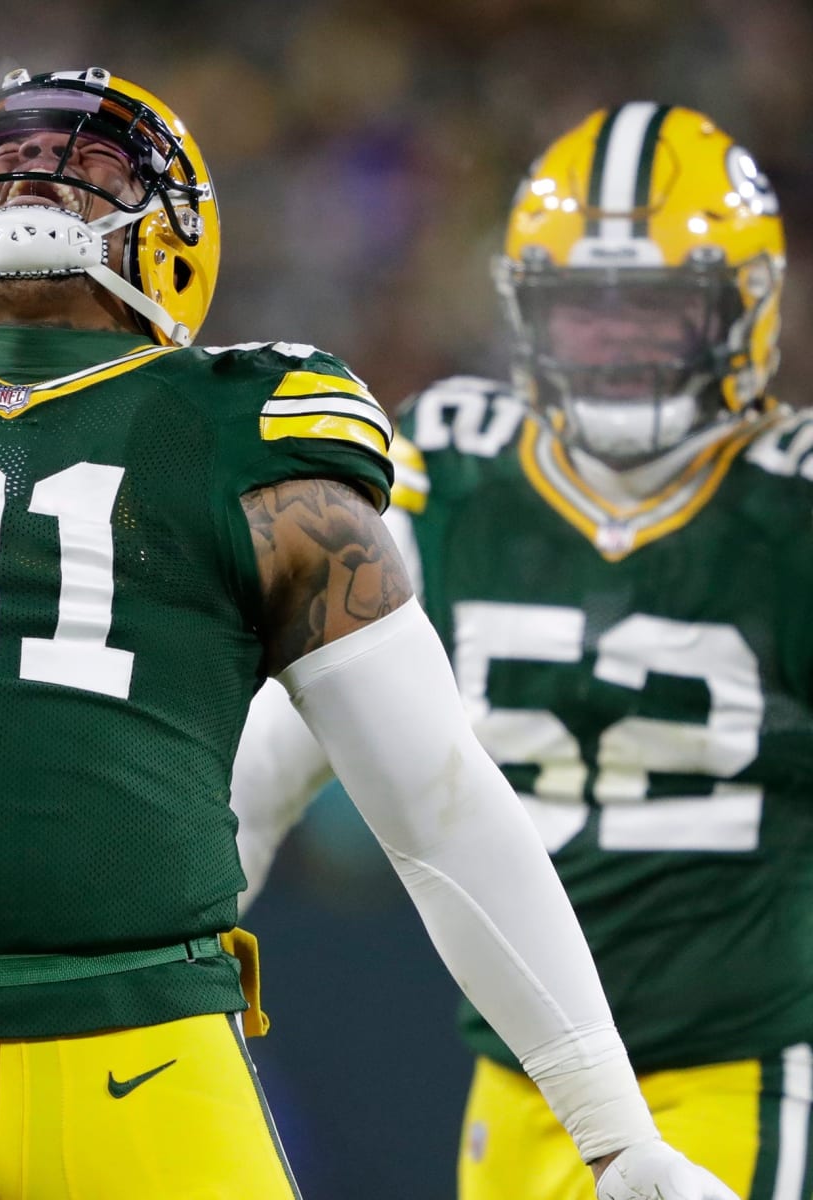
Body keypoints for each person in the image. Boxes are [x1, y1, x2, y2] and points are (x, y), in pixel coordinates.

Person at [0, 67, 729, 1198]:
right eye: (4, 165)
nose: (37, 181)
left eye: (94, 168)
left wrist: (612, 1128)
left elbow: (439, 804)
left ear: (178, 245)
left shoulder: (254, 442)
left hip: (136, 1046)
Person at [232, 101, 809, 1199]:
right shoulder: (454, 469)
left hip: (742, 1067)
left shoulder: (790, 506)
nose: (619, 339)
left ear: (748, 311)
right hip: (521, 1079)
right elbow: (266, 759)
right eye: (585, 309)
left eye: (659, 309)